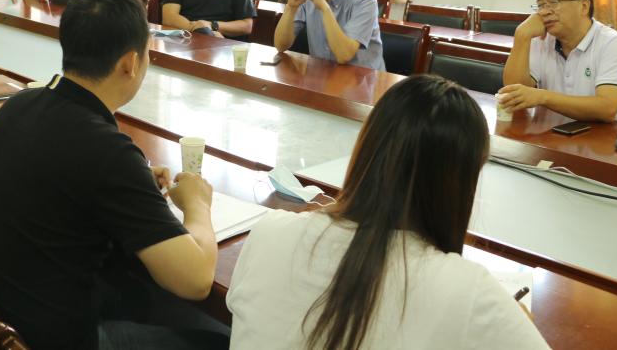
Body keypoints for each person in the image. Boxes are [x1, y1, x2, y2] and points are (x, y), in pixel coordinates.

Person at [0, 0, 223, 350]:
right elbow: (196, 280)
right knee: (225, 340)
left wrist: (134, 181)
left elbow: (66, 178)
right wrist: (198, 203)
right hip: (40, 338)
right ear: (130, 63)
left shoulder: (21, 104)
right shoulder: (107, 152)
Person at [227, 74, 549, 350]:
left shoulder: (270, 232)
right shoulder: (469, 293)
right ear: (460, 183)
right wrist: (506, 319)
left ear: (367, 148)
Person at [500, 0, 617, 124]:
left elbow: (606, 109)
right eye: (540, 5)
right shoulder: (542, 38)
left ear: (583, 6)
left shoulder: (612, 43)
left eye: (553, 2)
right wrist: (521, 36)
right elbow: (514, 93)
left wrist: (542, 96)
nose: (544, 12)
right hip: (556, 133)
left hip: (612, 136)